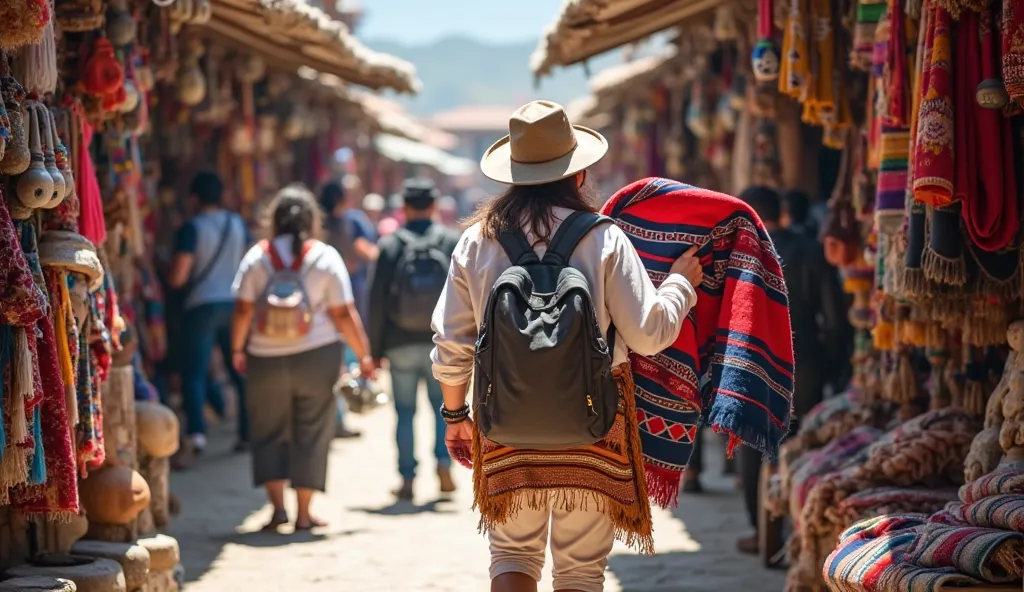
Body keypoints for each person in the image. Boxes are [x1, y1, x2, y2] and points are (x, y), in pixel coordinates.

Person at [432, 101, 701, 592]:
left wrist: (455, 418)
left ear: (512, 175)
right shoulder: (605, 238)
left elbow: (452, 343)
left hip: (504, 417)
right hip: (594, 421)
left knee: (511, 554)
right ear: (578, 176)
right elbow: (647, 334)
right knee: (580, 569)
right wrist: (680, 286)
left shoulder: (477, 241)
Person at [230, 184, 376, 531]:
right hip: (318, 356)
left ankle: (277, 509)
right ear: (312, 220)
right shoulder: (325, 257)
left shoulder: (256, 257)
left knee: (267, 430)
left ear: (274, 220)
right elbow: (343, 313)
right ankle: (305, 514)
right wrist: (363, 354)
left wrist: (238, 348)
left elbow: (242, 310)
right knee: (312, 431)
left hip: (265, 357)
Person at [735, 186, 851, 555]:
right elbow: (835, 316)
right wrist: (832, 363)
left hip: (751, 365)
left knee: (754, 446)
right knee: (804, 445)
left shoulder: (734, 255)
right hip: (804, 363)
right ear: (781, 212)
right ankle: (803, 534)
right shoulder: (807, 249)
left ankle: (763, 533)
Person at [367, 178, 460, 501]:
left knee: (404, 412)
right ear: (434, 207)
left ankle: (407, 478)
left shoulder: (390, 245)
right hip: (442, 344)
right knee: (443, 409)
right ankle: (443, 463)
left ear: (404, 208)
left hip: (399, 342)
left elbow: (376, 301)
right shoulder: (451, 241)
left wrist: (374, 350)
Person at [167, 171, 250, 454]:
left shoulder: (193, 228)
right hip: (235, 305)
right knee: (238, 369)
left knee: (195, 372)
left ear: (193, 198)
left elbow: (179, 276)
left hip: (202, 306)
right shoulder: (238, 223)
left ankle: (196, 434)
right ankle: (248, 432)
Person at [320, 180, 378, 439]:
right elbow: (364, 251)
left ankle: (329, 421)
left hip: (319, 308)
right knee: (344, 363)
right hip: (347, 300)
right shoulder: (350, 223)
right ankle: (339, 420)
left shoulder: (316, 228)